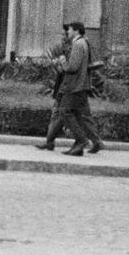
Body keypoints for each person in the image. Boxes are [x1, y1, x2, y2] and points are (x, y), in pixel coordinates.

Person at [53, 21, 104, 156]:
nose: (67, 33)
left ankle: (81, 140)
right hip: (82, 85)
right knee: (80, 115)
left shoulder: (77, 44)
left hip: (74, 86)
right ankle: (82, 145)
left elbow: (72, 67)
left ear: (76, 31)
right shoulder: (83, 43)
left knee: (65, 112)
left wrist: (63, 60)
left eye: (69, 30)